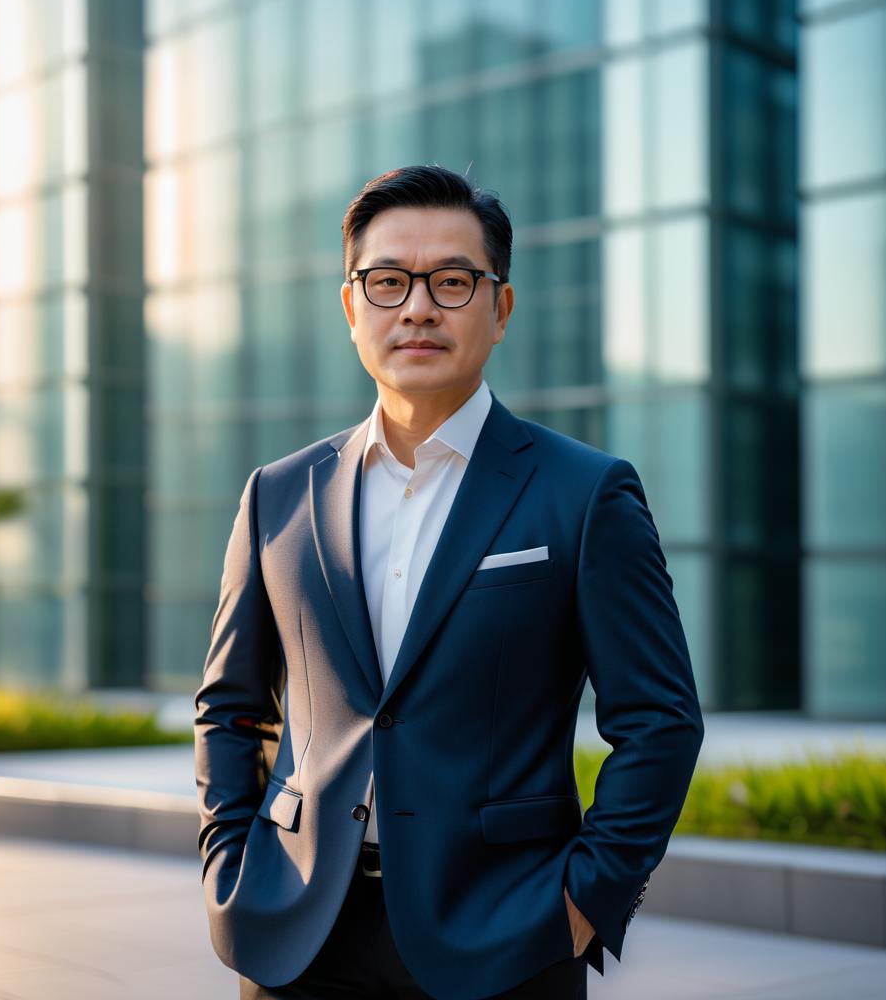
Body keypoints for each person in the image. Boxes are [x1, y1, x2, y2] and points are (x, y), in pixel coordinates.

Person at [194, 164, 705, 1000]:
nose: (418, 306)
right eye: (388, 281)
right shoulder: (276, 493)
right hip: (292, 933)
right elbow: (230, 704)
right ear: (352, 306)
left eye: (452, 281)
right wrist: (227, 859)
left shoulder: (583, 493)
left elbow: (661, 722)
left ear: (499, 308)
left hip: (504, 934)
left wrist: (584, 902)